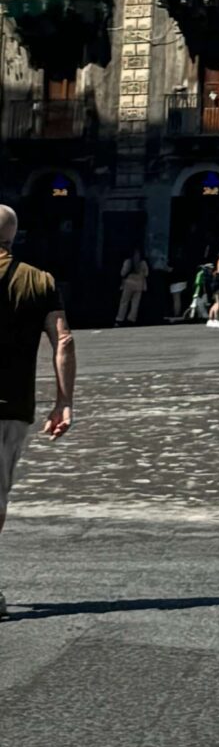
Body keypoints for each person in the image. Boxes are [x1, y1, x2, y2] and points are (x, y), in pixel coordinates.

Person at [0, 207, 74, 621]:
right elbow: (64, 341)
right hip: (10, 407)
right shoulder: (39, 281)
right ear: (14, 237)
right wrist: (63, 401)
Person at [114, 250, 149, 327]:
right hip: (139, 284)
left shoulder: (128, 262)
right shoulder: (143, 263)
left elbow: (122, 273)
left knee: (124, 302)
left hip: (128, 284)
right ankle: (131, 319)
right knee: (135, 303)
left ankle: (120, 319)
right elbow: (147, 274)